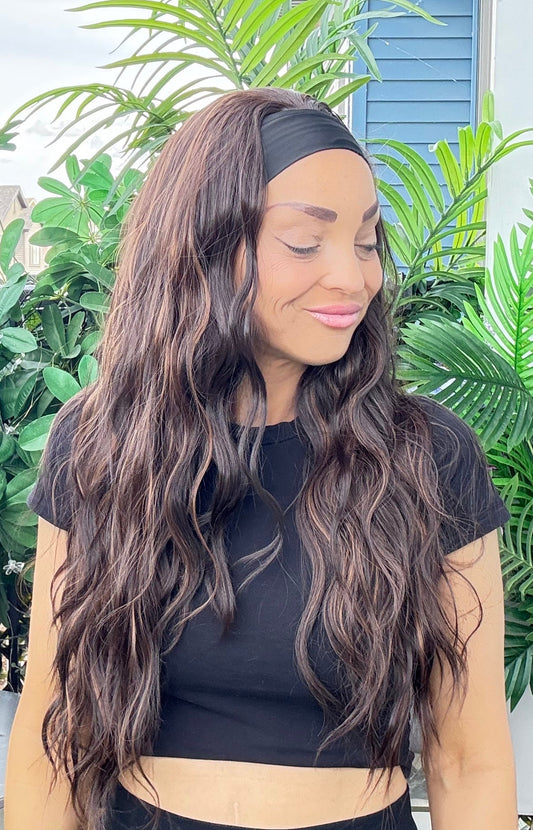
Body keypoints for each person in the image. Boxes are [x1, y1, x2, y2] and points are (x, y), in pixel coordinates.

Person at [6, 87, 517, 830]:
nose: (352, 276)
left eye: (367, 239)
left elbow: (468, 759)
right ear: (206, 246)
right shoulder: (102, 445)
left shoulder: (426, 456)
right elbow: (53, 740)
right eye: (306, 242)